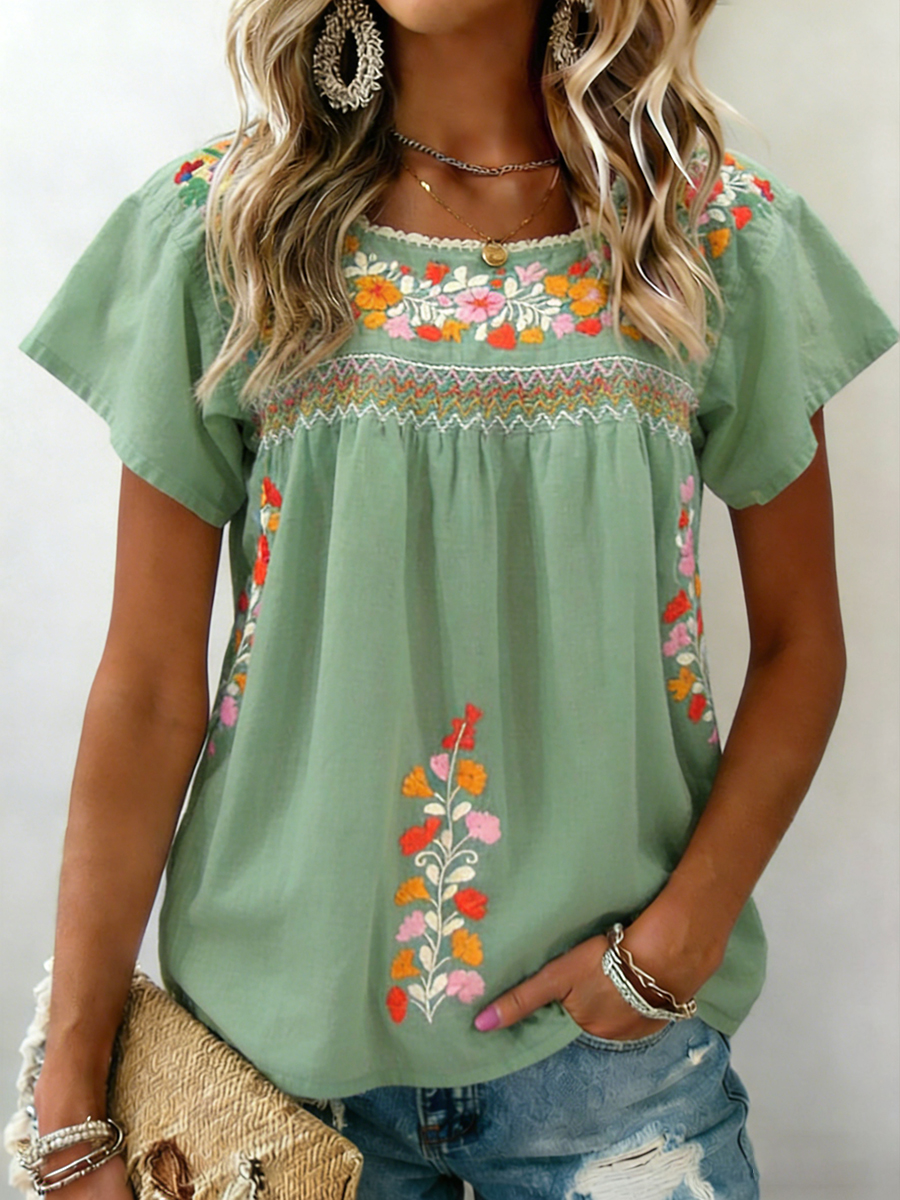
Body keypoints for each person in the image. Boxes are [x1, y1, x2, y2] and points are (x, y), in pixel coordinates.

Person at [16, 0, 898, 1197]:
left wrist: (677, 942)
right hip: (271, 1079)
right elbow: (149, 687)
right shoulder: (227, 232)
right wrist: (69, 1094)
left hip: (616, 1072)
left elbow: (802, 642)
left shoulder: (708, 238)